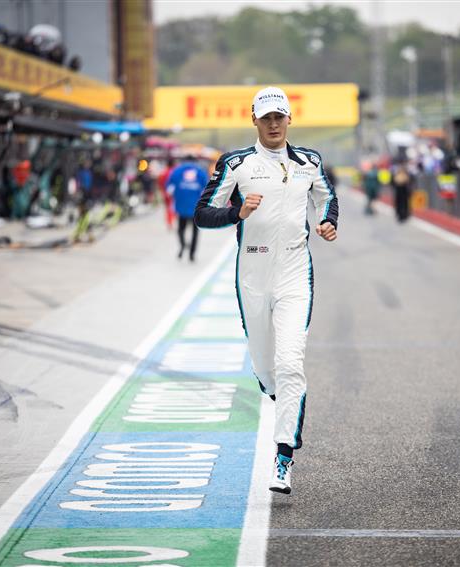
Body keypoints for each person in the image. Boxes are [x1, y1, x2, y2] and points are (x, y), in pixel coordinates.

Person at [194, 86, 338, 495]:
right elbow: (202, 214)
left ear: (289, 120)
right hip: (252, 274)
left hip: (295, 273)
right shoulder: (236, 164)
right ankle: (288, 405)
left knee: (291, 364)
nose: (274, 124)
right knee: (265, 369)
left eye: (280, 117)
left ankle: (283, 456)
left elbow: (327, 200)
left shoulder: (310, 162)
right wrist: (237, 212)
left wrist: (329, 224)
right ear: (254, 120)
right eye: (266, 117)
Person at [165, 158, 208, 261]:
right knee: (195, 232)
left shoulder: (177, 171)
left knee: (180, 229)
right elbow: (207, 190)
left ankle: (183, 244)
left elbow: (169, 189)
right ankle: (192, 254)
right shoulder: (201, 172)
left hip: (181, 207)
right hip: (196, 208)